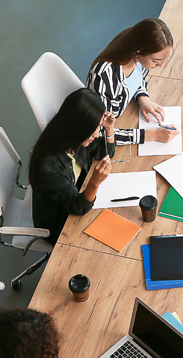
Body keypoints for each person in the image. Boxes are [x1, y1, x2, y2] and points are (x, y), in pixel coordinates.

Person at [29, 87, 116, 245]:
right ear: (78, 128)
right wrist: (94, 183)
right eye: (94, 128)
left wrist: (108, 128)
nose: (97, 134)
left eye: (98, 126)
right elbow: (78, 207)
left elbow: (105, 152)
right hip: (59, 225)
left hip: (77, 199)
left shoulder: (73, 140)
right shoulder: (49, 166)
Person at [85, 18, 178, 147]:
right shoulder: (104, 76)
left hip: (123, 119)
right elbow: (99, 131)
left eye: (163, 59)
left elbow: (137, 79)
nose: (161, 65)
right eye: (155, 60)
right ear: (138, 52)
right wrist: (152, 135)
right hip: (95, 143)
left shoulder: (138, 58)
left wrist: (143, 98)